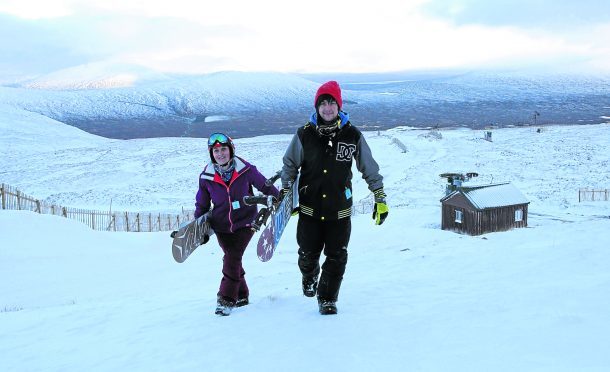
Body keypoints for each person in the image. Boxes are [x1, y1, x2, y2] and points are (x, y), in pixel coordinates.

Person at [281, 81, 388, 315]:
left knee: (337, 257)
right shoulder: (304, 135)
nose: (328, 108)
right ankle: (309, 276)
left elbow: (368, 167)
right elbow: (290, 165)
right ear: (317, 107)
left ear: (339, 106)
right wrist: (286, 192)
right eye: (323, 103)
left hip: (339, 210)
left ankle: (327, 298)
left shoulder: (352, 135)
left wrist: (379, 196)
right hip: (309, 209)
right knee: (307, 255)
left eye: (332, 102)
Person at [194, 132, 279, 316]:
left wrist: (279, 199)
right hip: (222, 226)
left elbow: (264, 186)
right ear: (211, 154)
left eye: (223, 149)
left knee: (231, 258)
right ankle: (241, 295)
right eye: (216, 151)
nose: (220, 154)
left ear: (231, 150)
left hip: (246, 222)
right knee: (233, 259)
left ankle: (226, 299)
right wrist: (198, 228)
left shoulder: (245, 169)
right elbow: (202, 204)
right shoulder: (206, 177)